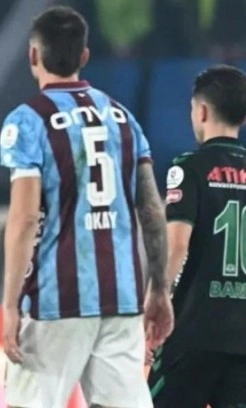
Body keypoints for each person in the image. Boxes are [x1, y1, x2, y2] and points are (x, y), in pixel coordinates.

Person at [0, 6, 173, 408]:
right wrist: (160, 289)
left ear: (33, 55)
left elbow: (24, 217)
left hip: (56, 298)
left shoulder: (27, 120)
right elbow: (152, 210)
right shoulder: (124, 118)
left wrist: (9, 305)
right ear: (84, 56)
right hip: (122, 296)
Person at [148, 65, 246, 407]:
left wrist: (155, 299)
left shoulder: (188, 167)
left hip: (193, 333)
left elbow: (177, 246)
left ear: (201, 111)